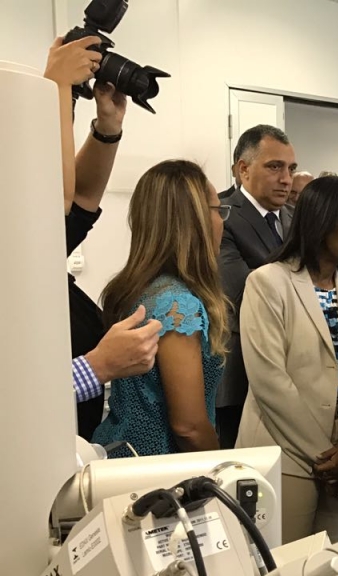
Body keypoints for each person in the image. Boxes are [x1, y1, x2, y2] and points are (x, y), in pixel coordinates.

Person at [237, 178, 338, 543]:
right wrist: (329, 460)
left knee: (336, 566)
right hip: (286, 454)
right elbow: (270, 382)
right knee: (285, 569)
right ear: (322, 221)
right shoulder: (268, 283)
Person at [43, 34, 162, 437]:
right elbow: (16, 399)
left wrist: (107, 128)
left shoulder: (29, 247)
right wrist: (96, 368)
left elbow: (78, 199)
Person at [92, 160, 230, 456]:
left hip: (118, 449)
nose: (222, 221)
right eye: (218, 210)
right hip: (158, 466)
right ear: (195, 220)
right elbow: (189, 427)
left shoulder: (138, 287)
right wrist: (221, 464)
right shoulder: (177, 304)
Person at [216, 125, 297, 449]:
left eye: (290, 169)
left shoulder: (294, 217)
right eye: (275, 167)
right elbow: (241, 292)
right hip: (241, 371)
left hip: (295, 367)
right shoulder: (221, 215)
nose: (286, 179)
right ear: (244, 169)